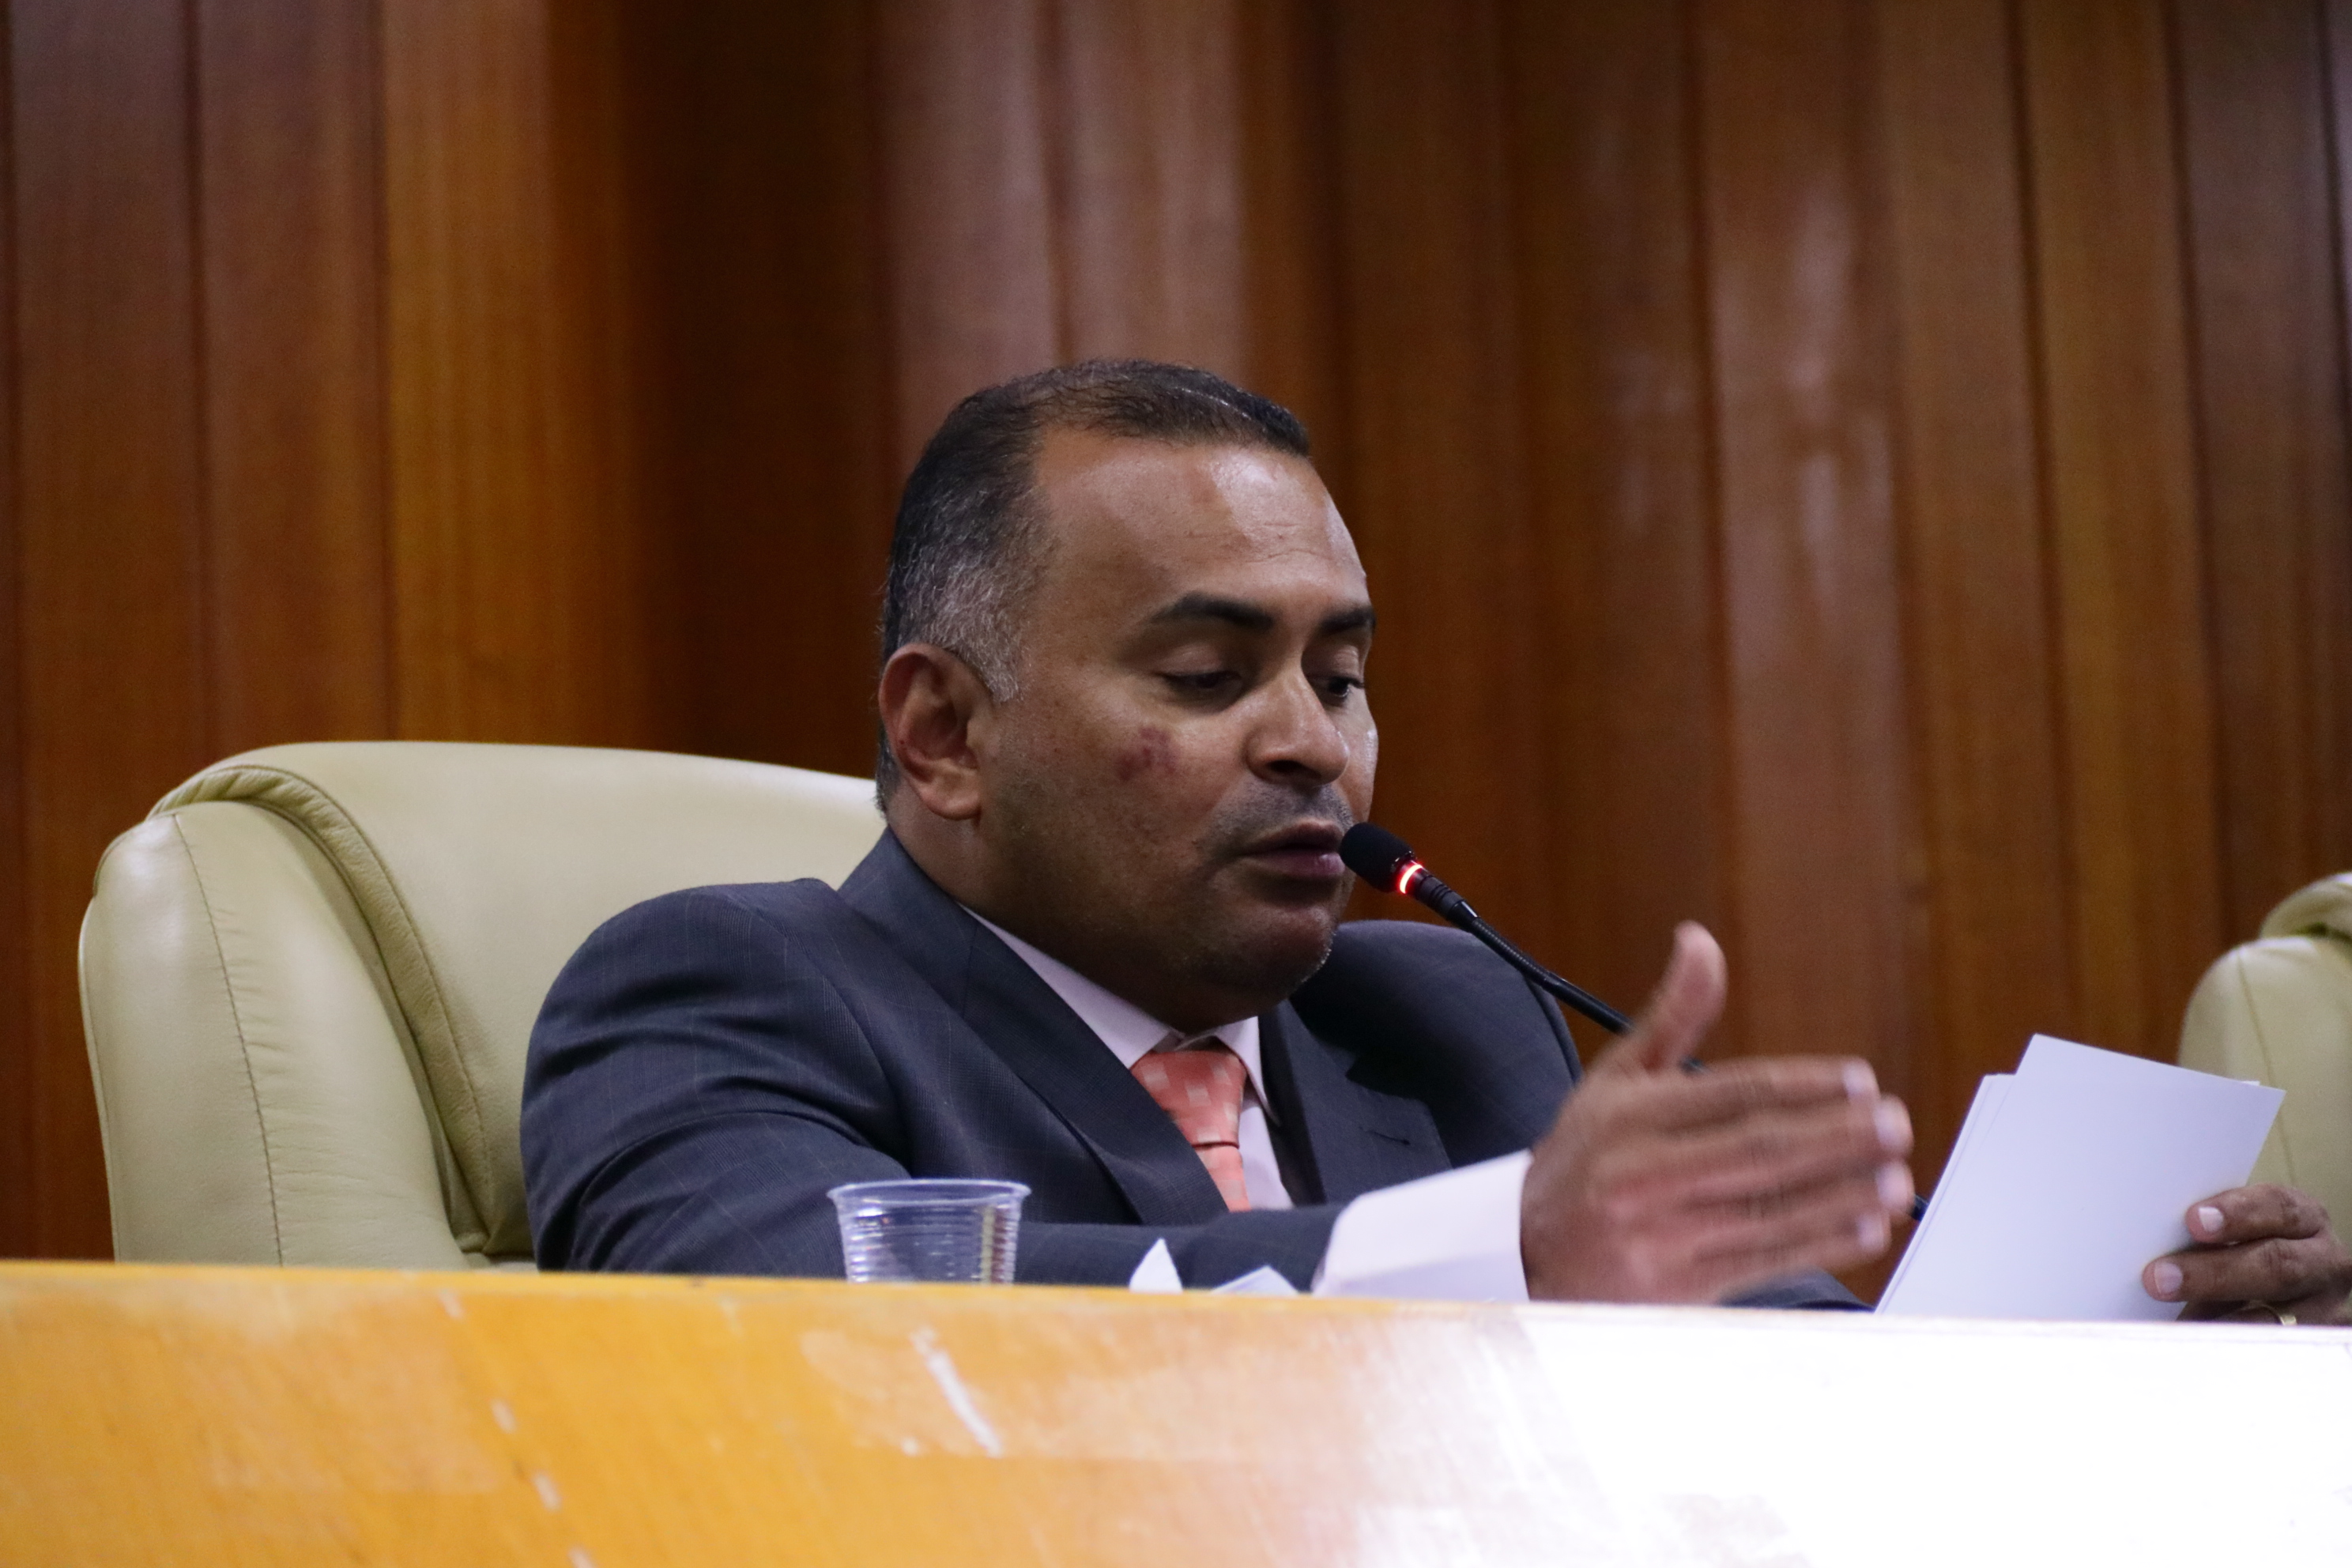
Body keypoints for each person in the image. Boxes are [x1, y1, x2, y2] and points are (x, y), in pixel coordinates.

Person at [524, 360, 2352, 1321]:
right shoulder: (729, 986)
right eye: (1207, 673)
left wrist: (2128, 1336)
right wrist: (1501, 1248)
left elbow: (1806, 1380)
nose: (1314, 742)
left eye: (1341, 674)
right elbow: (793, 1325)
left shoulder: (1444, 1015)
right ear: (944, 732)